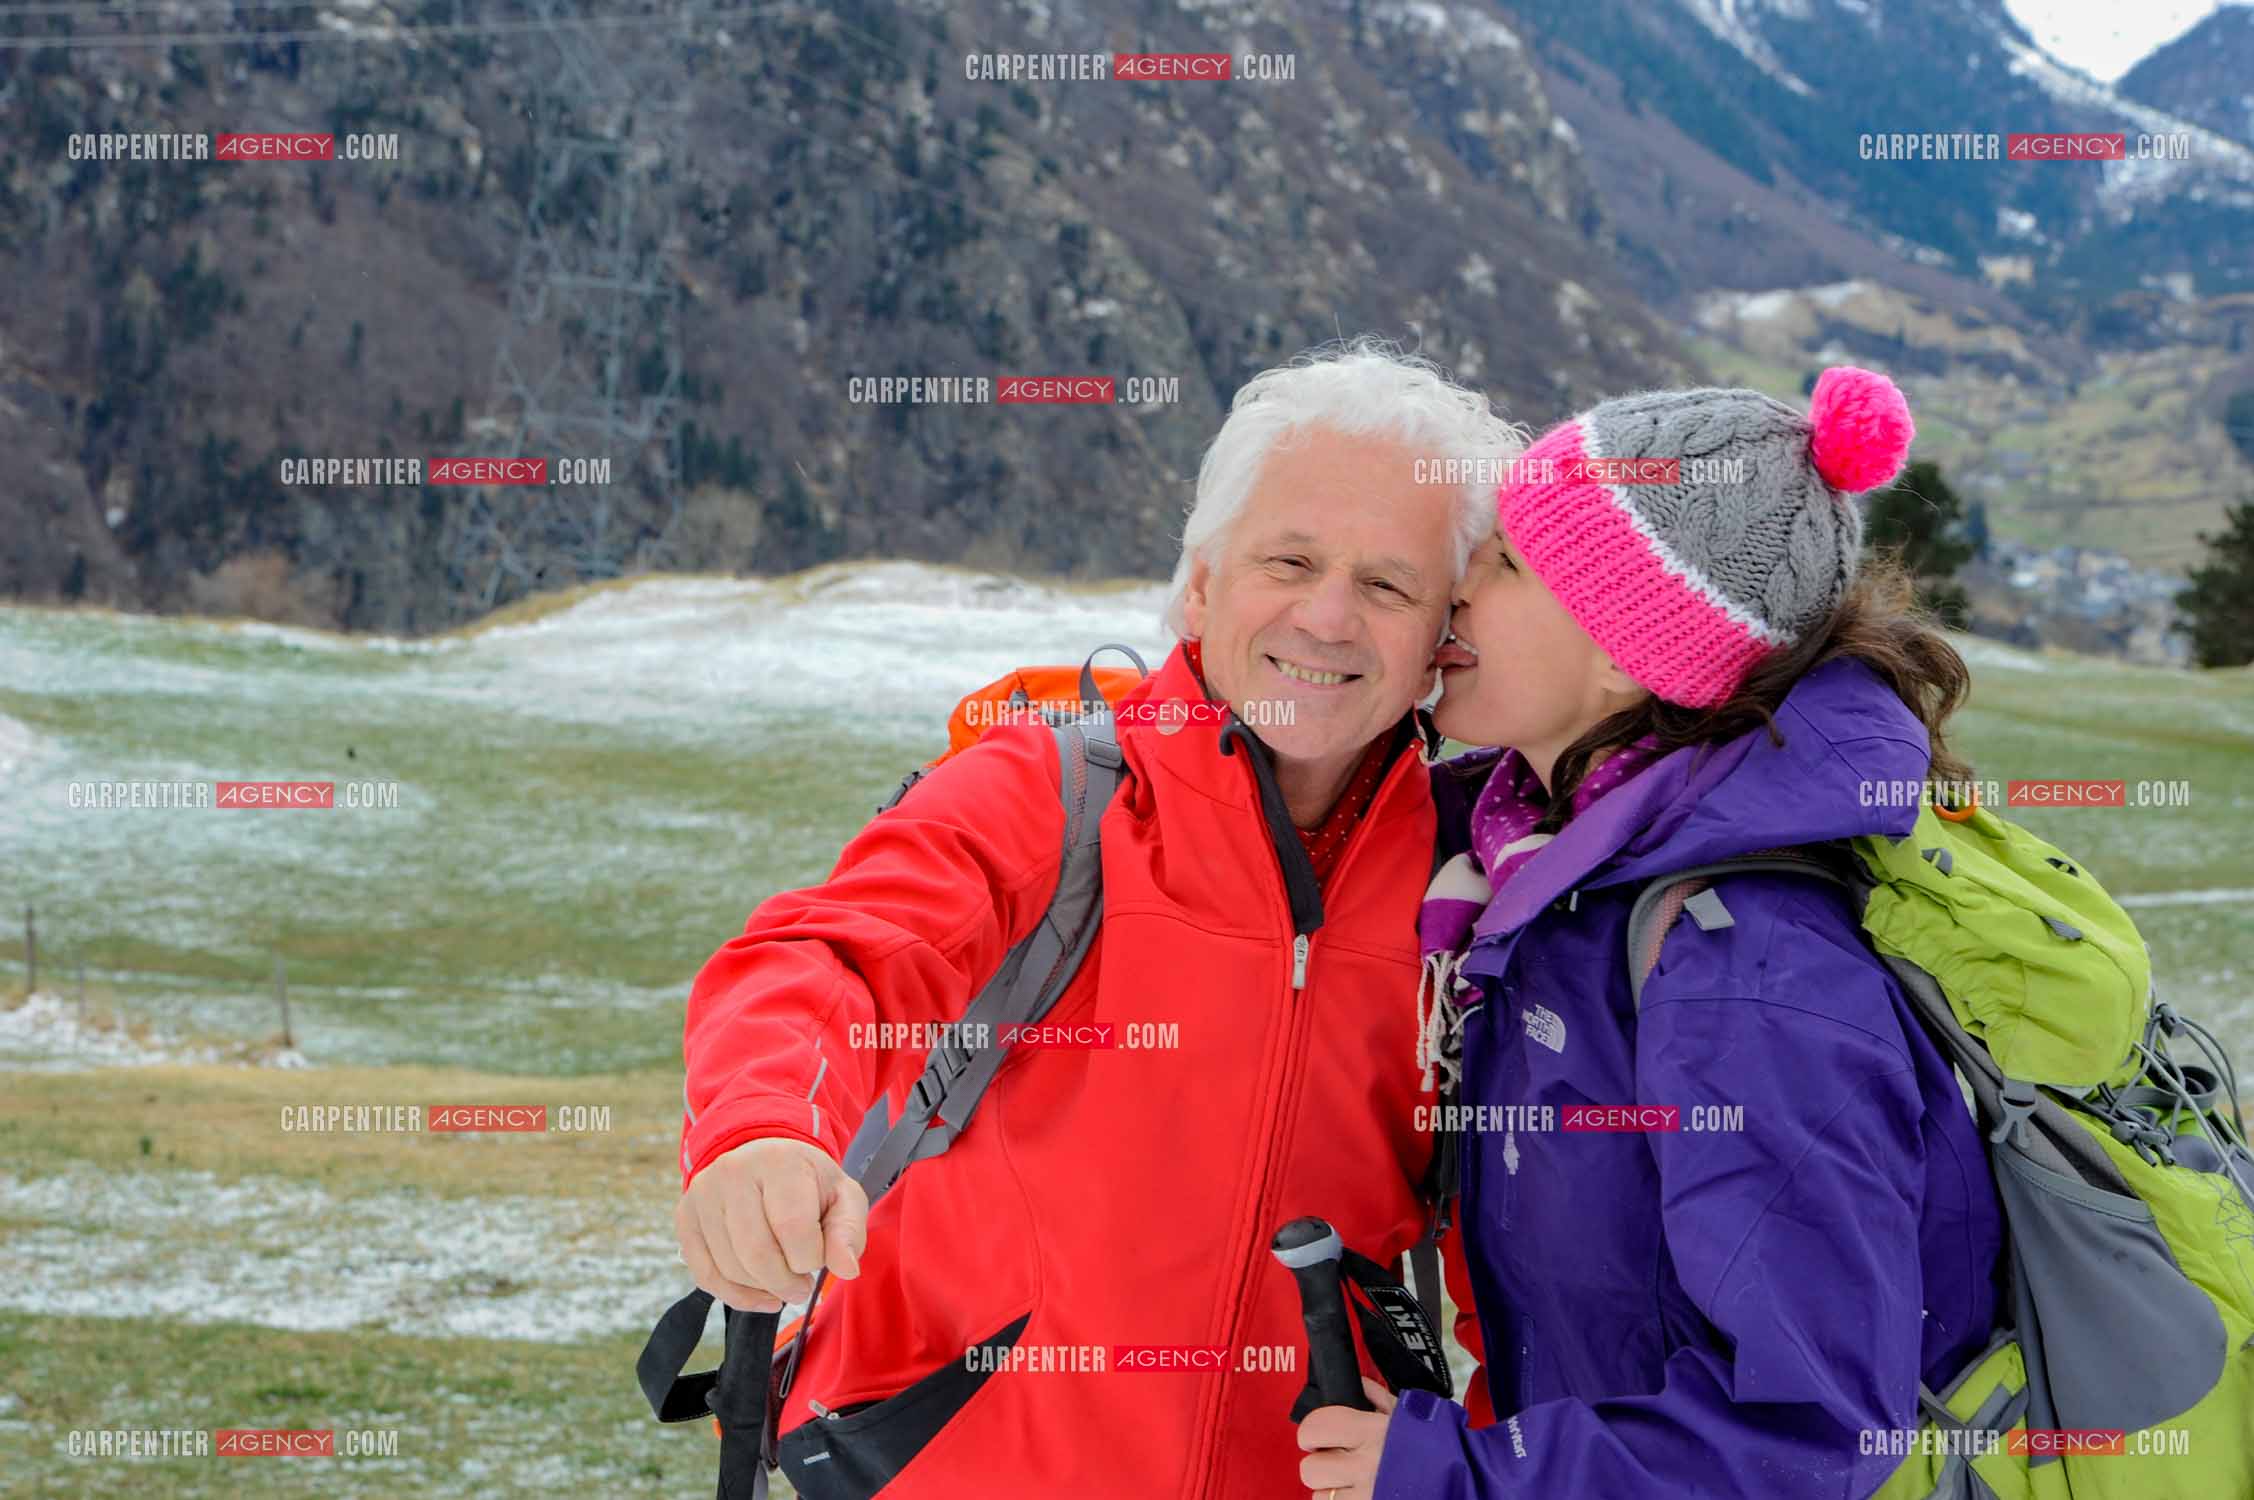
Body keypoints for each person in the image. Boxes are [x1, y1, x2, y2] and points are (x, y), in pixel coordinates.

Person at [673, 337, 1521, 1498]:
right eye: (1289, 560)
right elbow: (827, 958)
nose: (1326, 619)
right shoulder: (1054, 796)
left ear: (1441, 644)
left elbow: (1528, 1247)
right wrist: (761, 1129)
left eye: (1386, 585)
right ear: (1203, 582)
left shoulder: (1470, 886)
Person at [1296, 368, 2007, 1499]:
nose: (1455, 589)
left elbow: (1807, 1434)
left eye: (1508, 566)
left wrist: (1460, 1475)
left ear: (1631, 651)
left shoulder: (1743, 971)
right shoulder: (1546, 863)